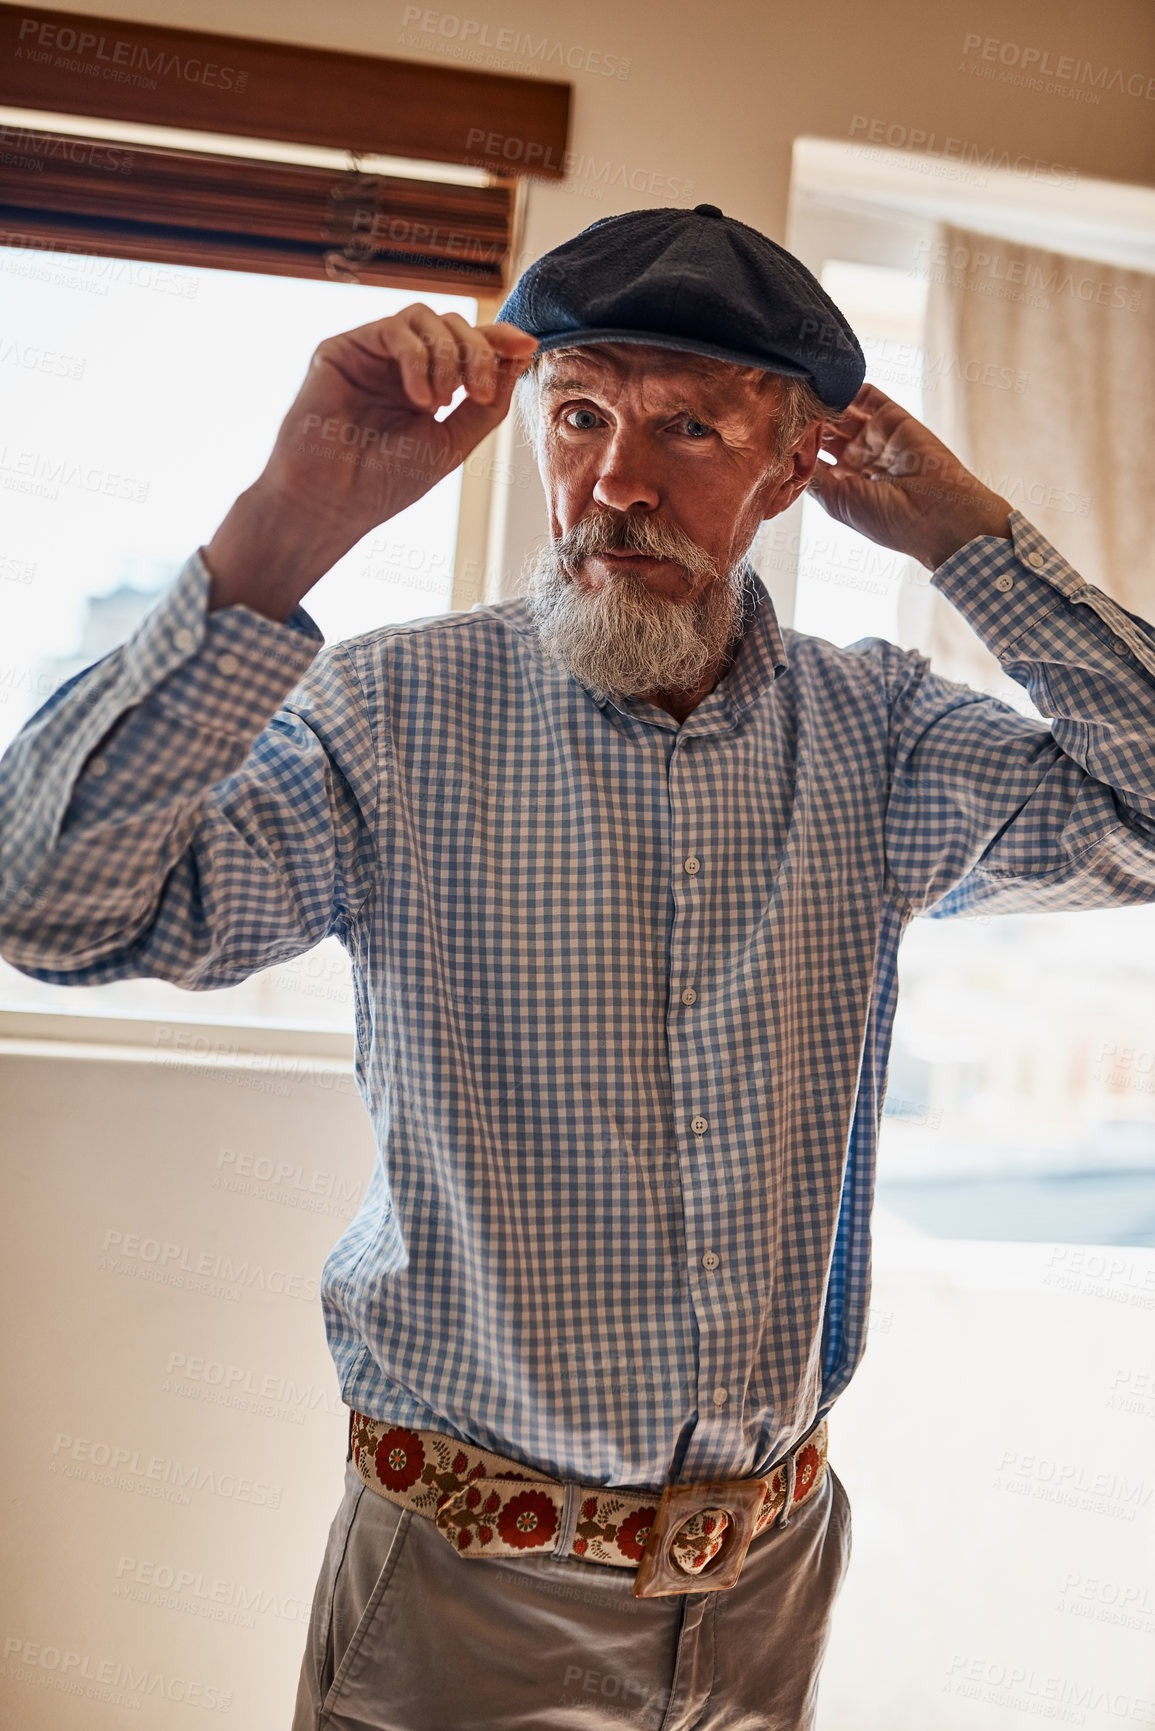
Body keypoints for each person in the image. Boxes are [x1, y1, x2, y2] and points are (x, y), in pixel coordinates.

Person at [3, 204, 1155, 1731]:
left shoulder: (881, 738)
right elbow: (52, 902)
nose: (616, 479)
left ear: (794, 466)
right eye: (584, 415)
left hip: (769, 1592)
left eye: (687, 427)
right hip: (460, 1604)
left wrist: (967, 538)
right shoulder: (392, 713)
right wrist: (290, 520)